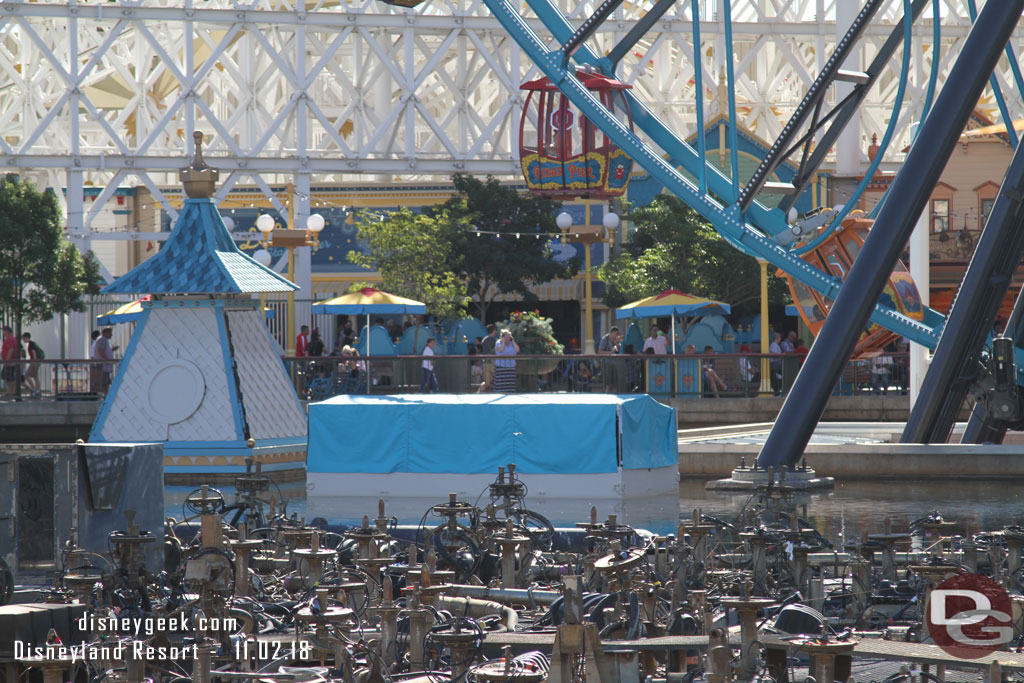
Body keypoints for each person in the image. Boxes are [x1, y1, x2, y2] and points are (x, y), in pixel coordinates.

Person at [493, 328, 519, 393]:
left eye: (509, 337)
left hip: (511, 367)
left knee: (510, 385)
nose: (508, 338)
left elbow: (517, 350)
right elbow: (501, 350)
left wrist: (513, 341)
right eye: (507, 337)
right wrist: (503, 341)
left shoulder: (512, 343)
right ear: (503, 337)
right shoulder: (498, 343)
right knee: (500, 384)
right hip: (501, 366)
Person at [94, 328, 119, 392]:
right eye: (110, 333)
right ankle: (105, 395)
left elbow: (104, 350)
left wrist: (112, 350)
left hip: (105, 366)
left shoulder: (103, 340)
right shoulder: (102, 340)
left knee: (106, 382)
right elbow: (100, 350)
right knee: (105, 382)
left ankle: (105, 394)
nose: (111, 335)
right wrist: (106, 359)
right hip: (104, 366)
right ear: (105, 333)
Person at [597, 326, 621, 392]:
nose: (617, 335)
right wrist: (610, 352)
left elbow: (618, 351)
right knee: (608, 383)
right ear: (612, 333)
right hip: (606, 364)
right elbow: (599, 352)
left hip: (615, 364)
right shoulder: (605, 339)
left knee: (614, 383)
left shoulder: (615, 341)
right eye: (616, 334)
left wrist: (617, 344)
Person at [478, 324, 498, 393]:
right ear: (494, 331)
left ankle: (478, 393)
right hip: (492, 362)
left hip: (486, 362)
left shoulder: (484, 340)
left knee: (487, 382)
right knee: (496, 379)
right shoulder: (495, 341)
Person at [22, 332, 43, 397]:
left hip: (34, 362)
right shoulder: (33, 343)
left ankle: (34, 389)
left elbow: (34, 352)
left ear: (26, 338)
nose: (23, 340)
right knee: (35, 376)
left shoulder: (31, 344)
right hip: (37, 361)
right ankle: (38, 390)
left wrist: (35, 361)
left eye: (23, 338)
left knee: (27, 375)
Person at [1, 326, 16, 397]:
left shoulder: (9, 339)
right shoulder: (11, 338)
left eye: (3, 331)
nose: (3, 332)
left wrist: (7, 361)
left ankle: (11, 392)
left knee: (9, 377)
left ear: (7, 331)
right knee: (7, 376)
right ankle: (10, 391)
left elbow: (11, 350)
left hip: (10, 362)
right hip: (10, 361)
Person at [89, 329, 102, 393]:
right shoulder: (96, 344)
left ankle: (96, 391)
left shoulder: (95, 344)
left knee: (96, 378)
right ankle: (96, 392)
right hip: (96, 363)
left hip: (95, 362)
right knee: (97, 378)